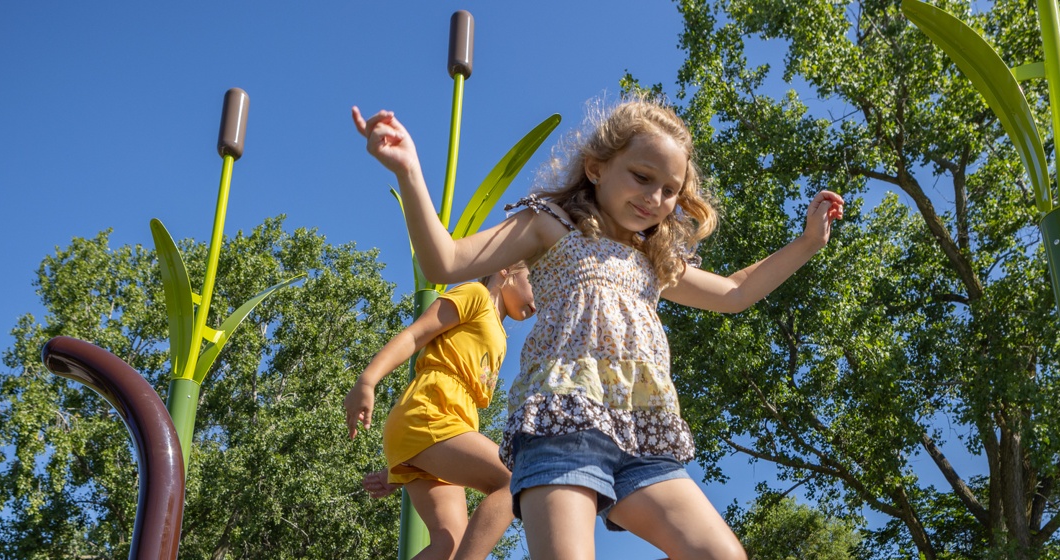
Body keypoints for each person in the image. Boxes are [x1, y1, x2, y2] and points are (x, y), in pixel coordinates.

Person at [353, 97, 845, 559]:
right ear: (596, 168)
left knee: (721, 554)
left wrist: (806, 243)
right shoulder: (551, 225)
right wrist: (410, 171)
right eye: (642, 176)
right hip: (564, 422)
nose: (654, 198)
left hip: (643, 430)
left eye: (670, 191)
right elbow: (446, 261)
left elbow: (735, 292)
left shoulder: (656, 262)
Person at [344, 264, 536, 560]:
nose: (539, 299)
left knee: (451, 545)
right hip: (429, 412)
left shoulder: (498, 332)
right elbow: (414, 336)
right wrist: (367, 380)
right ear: (505, 269)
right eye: (535, 280)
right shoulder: (476, 295)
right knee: (514, 478)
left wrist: (402, 467)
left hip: (443, 427)